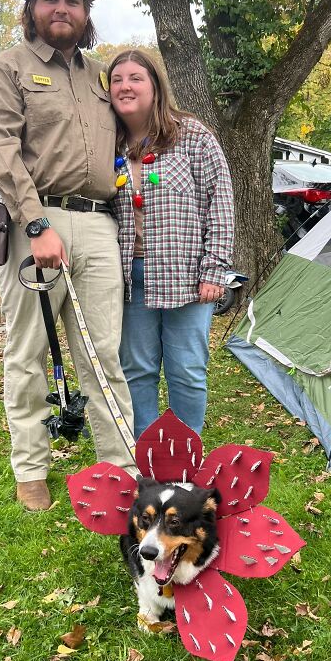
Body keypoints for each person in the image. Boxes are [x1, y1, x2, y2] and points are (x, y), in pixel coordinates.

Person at [0, 0, 136, 511]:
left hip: (99, 225)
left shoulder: (101, 77)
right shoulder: (9, 67)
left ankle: (119, 471)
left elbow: (135, 142)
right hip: (32, 223)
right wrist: (36, 222)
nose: (62, 7)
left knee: (104, 357)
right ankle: (32, 473)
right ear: (32, 7)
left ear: (87, 12)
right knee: (27, 353)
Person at [108, 50, 234, 439]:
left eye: (135, 78)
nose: (125, 86)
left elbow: (222, 201)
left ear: (155, 85)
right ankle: (147, 456)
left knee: (187, 370)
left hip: (187, 277)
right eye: (117, 79)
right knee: (137, 370)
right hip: (130, 278)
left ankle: (185, 454)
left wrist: (214, 269)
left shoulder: (191, 134)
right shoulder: (106, 141)